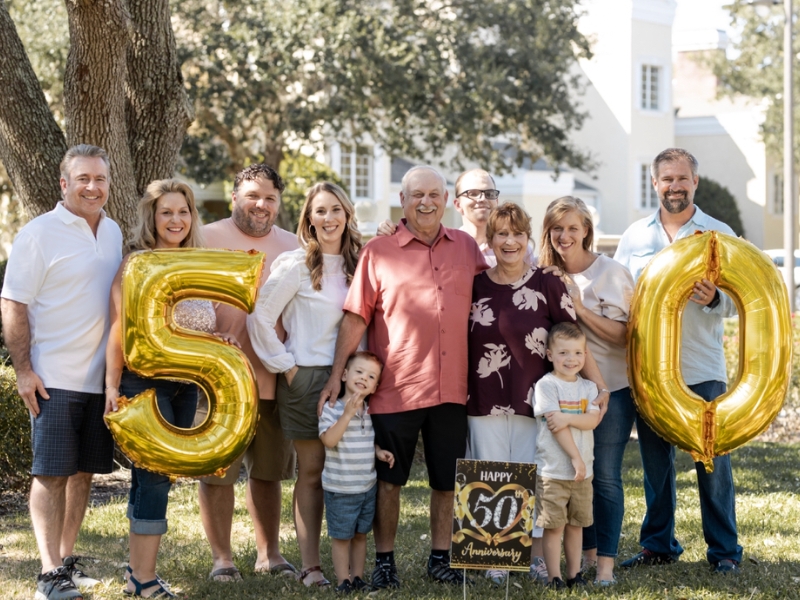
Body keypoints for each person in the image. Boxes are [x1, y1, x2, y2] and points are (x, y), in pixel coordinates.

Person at [318, 165, 488, 588]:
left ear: (446, 200)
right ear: (403, 199)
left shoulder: (466, 248)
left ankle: (440, 557)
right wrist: (336, 375)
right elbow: (357, 317)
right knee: (389, 482)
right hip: (396, 387)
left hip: (453, 388)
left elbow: (495, 297)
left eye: (434, 194)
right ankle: (385, 561)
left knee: (446, 482)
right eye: (417, 195)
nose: (426, 202)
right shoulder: (379, 250)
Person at [104, 179, 238, 597]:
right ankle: (143, 580)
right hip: (145, 384)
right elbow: (119, 328)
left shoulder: (199, 264)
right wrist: (111, 385)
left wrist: (221, 346)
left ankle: (136, 574)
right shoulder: (136, 264)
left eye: (183, 212)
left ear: (192, 216)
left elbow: (201, 325)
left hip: (187, 386)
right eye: (166, 212)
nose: (175, 220)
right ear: (153, 217)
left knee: (155, 478)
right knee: (154, 478)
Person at [1, 144, 122, 600]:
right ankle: (48, 574)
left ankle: (66, 561)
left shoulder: (112, 231)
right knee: (50, 474)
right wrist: (25, 370)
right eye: (84, 179)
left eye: (100, 179)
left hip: (99, 381)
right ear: (63, 183)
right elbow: (13, 302)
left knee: (82, 474)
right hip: (52, 380)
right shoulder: (39, 233)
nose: (93, 187)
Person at [465, 202, 608, 586]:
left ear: (528, 238)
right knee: (492, 474)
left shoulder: (548, 281)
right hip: (483, 398)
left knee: (534, 477)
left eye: (517, 234)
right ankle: (494, 556)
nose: (509, 241)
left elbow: (573, 338)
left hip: (538, 401)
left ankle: (534, 558)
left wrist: (599, 386)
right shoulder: (474, 284)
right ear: (490, 239)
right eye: (501, 234)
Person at [614, 148, 743, 574]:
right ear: (655, 184)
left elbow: (743, 301)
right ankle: (658, 545)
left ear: (695, 182)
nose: (674, 186)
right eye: (666, 179)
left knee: (712, 463)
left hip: (703, 367)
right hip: (650, 372)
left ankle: (724, 551)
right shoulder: (634, 237)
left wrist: (715, 299)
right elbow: (619, 297)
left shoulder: (719, 233)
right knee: (656, 466)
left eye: (682, 178)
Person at [246, 181, 363, 587]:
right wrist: (286, 367)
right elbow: (258, 318)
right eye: (320, 211)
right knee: (312, 471)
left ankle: (354, 566)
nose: (328, 218)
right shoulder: (296, 265)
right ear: (308, 220)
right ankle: (312, 566)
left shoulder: (362, 263)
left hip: (356, 380)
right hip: (307, 376)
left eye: (335, 210)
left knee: (354, 472)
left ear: (347, 215)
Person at [198, 164, 299, 581]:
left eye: (270, 198)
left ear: (279, 203)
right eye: (253, 195)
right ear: (235, 195)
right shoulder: (204, 237)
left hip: (274, 378)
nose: (261, 204)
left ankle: (269, 554)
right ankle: (222, 559)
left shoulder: (295, 245)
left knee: (268, 472)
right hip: (218, 380)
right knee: (218, 472)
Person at [537, 195, 635, 585]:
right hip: (561, 396)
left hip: (610, 389)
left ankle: (606, 567)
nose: (564, 236)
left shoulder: (612, 272)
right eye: (557, 228)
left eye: (572, 228)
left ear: (586, 231)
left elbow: (627, 335)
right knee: (573, 476)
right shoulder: (542, 274)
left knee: (605, 476)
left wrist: (579, 309)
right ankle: (585, 559)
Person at [318, 351, 395, 593]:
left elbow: (363, 440)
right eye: (359, 372)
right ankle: (343, 580)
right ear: (344, 375)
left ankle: (358, 577)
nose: (364, 378)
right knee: (342, 537)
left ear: (375, 387)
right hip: (340, 488)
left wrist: (378, 451)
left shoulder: (370, 412)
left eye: (371, 376)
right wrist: (347, 414)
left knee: (361, 535)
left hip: (365, 487)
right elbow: (329, 440)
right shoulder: (331, 408)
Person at [533, 322, 601, 590]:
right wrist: (575, 457)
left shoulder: (588, 388)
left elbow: (592, 422)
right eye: (563, 353)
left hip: (583, 472)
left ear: (585, 356)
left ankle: (574, 574)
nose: (570, 359)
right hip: (553, 471)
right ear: (550, 354)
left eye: (577, 353)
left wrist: (566, 416)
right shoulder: (546, 386)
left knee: (576, 524)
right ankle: (554, 577)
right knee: (554, 526)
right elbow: (556, 427)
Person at [376, 168, 534, 266]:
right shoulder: (444, 245)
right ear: (457, 204)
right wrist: (392, 230)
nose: (482, 199)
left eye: (489, 193)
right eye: (473, 194)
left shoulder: (517, 249)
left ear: (496, 201)